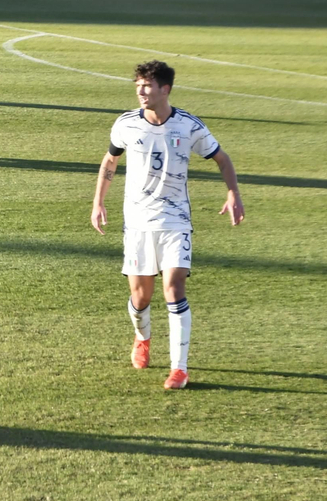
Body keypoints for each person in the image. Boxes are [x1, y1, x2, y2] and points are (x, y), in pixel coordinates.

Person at [90, 60, 243, 390]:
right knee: (140, 297)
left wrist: (233, 194)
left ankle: (179, 369)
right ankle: (142, 337)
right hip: (138, 224)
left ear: (165, 89)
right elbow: (110, 159)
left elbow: (221, 158)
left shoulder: (188, 126)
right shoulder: (126, 124)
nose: (141, 92)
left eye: (147, 86)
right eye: (138, 86)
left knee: (174, 290)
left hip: (176, 221)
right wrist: (98, 201)